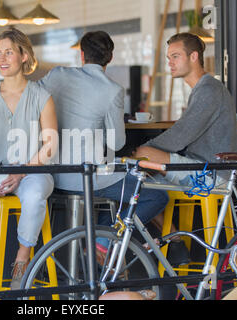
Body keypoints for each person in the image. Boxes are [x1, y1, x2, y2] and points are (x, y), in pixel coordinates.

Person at [38, 31, 169, 263]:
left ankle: (98, 246)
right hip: (87, 178)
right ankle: (103, 241)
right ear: (110, 57)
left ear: (81, 54)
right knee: (157, 196)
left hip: (49, 176)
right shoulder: (112, 90)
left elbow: (31, 99)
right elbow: (117, 143)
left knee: (123, 184)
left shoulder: (57, 74)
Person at [134, 32, 237, 262]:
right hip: (200, 167)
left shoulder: (209, 90)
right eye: (168, 57)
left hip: (212, 175)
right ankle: (176, 241)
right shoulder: (203, 89)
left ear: (193, 57)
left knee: (142, 161)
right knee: (141, 186)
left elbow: (180, 136)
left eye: (175, 56)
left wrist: (141, 151)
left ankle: (176, 242)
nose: (169, 62)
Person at [0, 28, 58, 289]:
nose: (2, 58)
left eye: (9, 52)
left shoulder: (42, 96)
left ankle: (22, 259)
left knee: (33, 195)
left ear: (24, 56)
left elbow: (50, 144)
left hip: (34, 172)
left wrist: (21, 172)